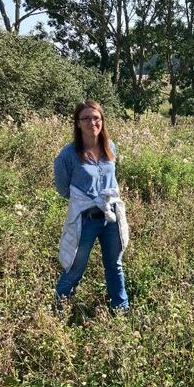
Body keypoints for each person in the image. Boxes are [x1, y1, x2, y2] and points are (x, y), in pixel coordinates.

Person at [54, 100, 130, 311]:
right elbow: (63, 189)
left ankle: (121, 310)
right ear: (78, 123)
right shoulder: (68, 155)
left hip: (111, 217)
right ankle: (59, 310)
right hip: (85, 220)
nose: (91, 122)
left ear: (102, 120)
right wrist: (87, 201)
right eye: (85, 118)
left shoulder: (110, 147)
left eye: (96, 117)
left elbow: (112, 180)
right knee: (74, 268)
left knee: (115, 266)